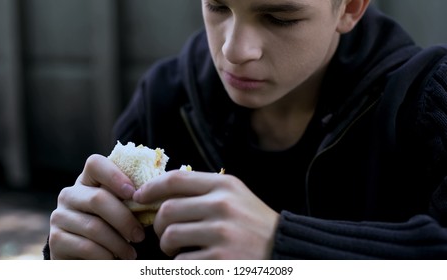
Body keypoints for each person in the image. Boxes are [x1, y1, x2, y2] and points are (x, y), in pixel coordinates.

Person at [44, 0, 447, 259]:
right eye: (218, 6)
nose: (234, 51)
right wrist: (72, 251)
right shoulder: (165, 97)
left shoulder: (427, 101)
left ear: (350, 8)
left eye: (279, 17)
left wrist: (282, 244)